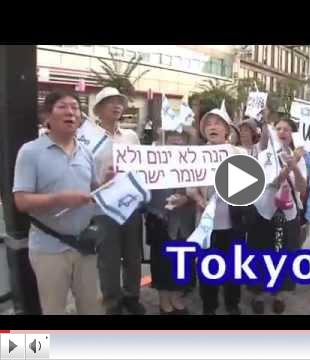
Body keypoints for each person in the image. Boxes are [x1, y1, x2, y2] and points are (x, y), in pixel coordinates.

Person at [12, 90, 101, 315]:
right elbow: (21, 201)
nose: (70, 112)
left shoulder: (86, 153)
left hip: (85, 245)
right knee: (54, 309)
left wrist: (109, 183)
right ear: (47, 117)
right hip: (49, 248)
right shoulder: (30, 152)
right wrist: (60, 199)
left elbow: (95, 190)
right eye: (62, 107)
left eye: (75, 107)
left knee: (91, 306)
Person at [186, 106, 246, 315]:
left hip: (234, 222)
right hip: (206, 222)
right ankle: (208, 305)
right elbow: (190, 186)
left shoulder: (239, 153)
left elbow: (250, 184)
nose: (212, 127)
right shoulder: (196, 154)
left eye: (217, 123)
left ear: (227, 129)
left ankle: (232, 303)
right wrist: (198, 197)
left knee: (233, 265)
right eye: (208, 124)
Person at [92, 87, 146, 315]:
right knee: (108, 258)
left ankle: (132, 295)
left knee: (133, 255)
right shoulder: (89, 139)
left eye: (119, 102)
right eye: (110, 102)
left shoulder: (131, 137)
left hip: (131, 205)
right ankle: (112, 301)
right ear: (99, 109)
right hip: (104, 208)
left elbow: (143, 167)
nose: (116, 106)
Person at [248, 117, 307, 314]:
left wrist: (295, 166)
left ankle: (279, 293)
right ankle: (257, 293)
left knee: (283, 254)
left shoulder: (299, 157)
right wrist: (286, 169)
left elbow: (301, 187)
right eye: (279, 128)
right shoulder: (264, 155)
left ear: (293, 134)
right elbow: (270, 184)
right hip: (264, 211)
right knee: (259, 251)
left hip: (288, 215)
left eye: (286, 129)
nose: (282, 132)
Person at [146, 130, 196, 314]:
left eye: (181, 136)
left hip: (185, 220)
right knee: (161, 260)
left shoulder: (195, 160)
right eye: (172, 135)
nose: (177, 139)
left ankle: (177, 296)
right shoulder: (152, 160)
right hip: (160, 218)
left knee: (183, 259)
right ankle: (163, 299)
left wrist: (188, 199)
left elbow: (200, 189)